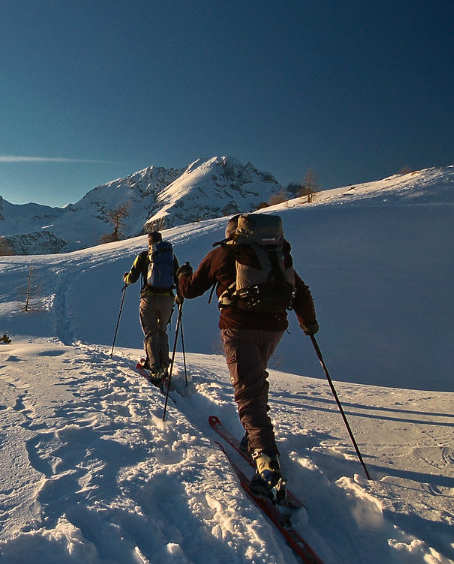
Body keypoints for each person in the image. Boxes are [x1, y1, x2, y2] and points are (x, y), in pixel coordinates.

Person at [176, 214, 317, 502]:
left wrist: (181, 276)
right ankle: (254, 438)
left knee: (248, 391)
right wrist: (309, 324)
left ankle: (266, 463)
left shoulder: (223, 253)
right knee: (254, 382)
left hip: (238, 326)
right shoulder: (275, 256)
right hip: (275, 326)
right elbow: (300, 291)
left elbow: (190, 290)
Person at [123, 231, 180, 386]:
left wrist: (125, 278)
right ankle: (164, 367)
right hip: (167, 298)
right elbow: (178, 276)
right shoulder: (171, 256)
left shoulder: (143, 256)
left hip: (149, 298)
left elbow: (133, 278)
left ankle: (154, 369)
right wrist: (179, 297)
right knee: (161, 331)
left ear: (149, 242)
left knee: (150, 332)